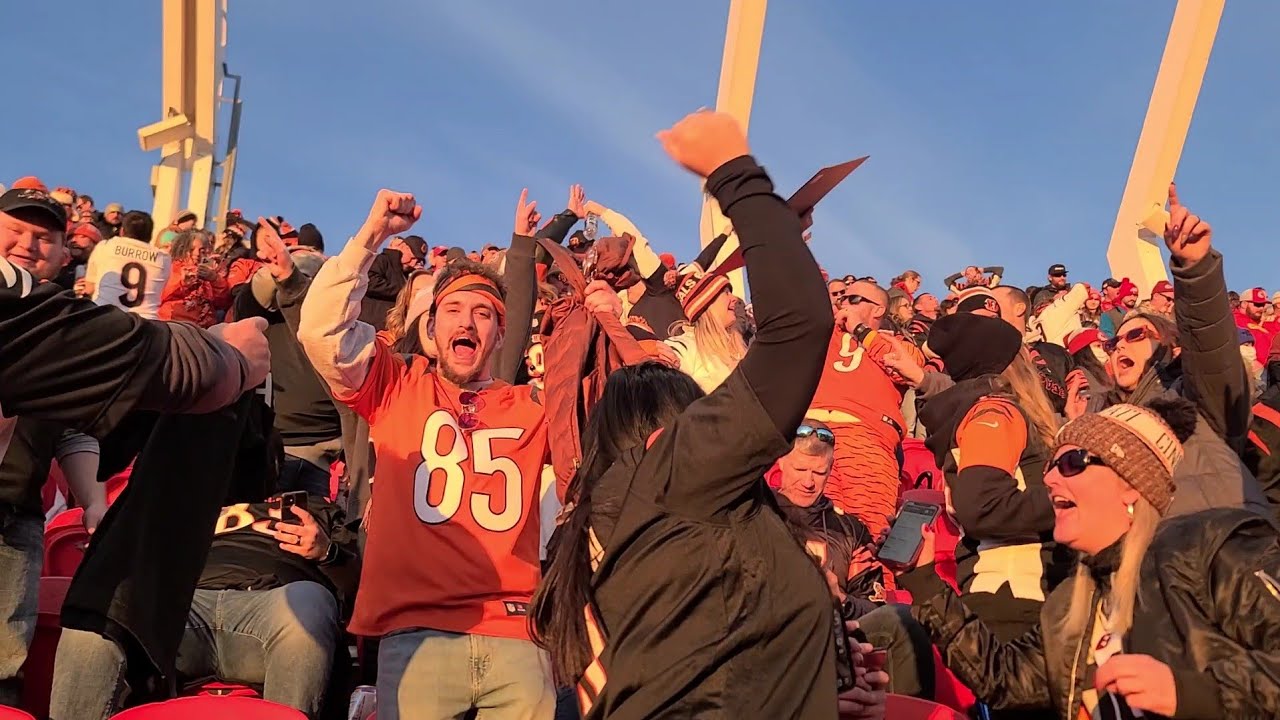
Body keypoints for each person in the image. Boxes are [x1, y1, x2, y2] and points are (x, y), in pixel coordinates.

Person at [532, 110, 854, 719]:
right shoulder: (673, 472)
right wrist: (737, 177)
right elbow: (800, 328)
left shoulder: (635, 507)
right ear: (669, 423)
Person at [299, 186, 552, 719]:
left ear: (500, 333)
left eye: (483, 314)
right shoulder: (396, 383)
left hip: (517, 636)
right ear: (431, 329)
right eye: (453, 310)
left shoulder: (532, 404)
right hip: (417, 636)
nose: (466, 322)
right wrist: (371, 236)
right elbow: (320, 333)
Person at [901, 399, 1280, 719]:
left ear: (1131, 484)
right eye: (1050, 466)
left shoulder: (1211, 549)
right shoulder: (1070, 603)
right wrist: (925, 581)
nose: (1048, 479)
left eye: (1072, 463)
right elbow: (1006, 679)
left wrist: (1189, 693)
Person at [1100, 184, 1272, 521]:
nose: (1119, 344)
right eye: (1112, 343)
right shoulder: (1103, 417)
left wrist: (1195, 270)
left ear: (1171, 345)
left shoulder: (1191, 403)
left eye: (1136, 334)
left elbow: (1210, 352)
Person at [917, 313, 1069, 645]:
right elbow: (982, 506)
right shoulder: (996, 412)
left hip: (1017, 591)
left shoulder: (995, 411)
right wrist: (1074, 497)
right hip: (1015, 593)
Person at [175, 493, 359, 717]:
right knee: (124, 617)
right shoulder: (201, 507)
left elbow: (361, 586)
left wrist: (327, 552)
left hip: (275, 603)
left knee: (306, 601)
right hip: (192, 603)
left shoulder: (319, 509)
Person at [809, 280, 923, 537]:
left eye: (853, 299)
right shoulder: (824, 335)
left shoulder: (898, 344)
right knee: (808, 537)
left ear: (878, 310)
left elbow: (907, 370)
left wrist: (861, 331)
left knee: (869, 536)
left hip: (867, 440)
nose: (843, 304)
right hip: (811, 434)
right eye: (842, 299)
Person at [771, 420, 882, 618]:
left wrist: (840, 599)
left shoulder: (851, 531)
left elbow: (877, 612)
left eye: (819, 473)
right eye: (800, 470)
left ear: (830, 469)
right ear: (780, 461)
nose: (808, 482)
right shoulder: (757, 511)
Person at [665, 268, 746, 392]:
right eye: (725, 293)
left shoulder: (738, 347)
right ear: (707, 304)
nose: (734, 298)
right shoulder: (684, 348)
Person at [83, 210, 172, 319]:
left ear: (122, 231)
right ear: (150, 236)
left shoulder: (105, 247)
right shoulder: (164, 258)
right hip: (146, 324)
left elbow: (89, 288)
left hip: (104, 318)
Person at [159, 229, 231, 327]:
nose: (197, 254)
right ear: (181, 249)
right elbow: (159, 295)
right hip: (174, 324)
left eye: (202, 250)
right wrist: (181, 283)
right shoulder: (171, 267)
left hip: (203, 330)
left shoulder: (212, 271)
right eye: (191, 249)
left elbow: (223, 303)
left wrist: (215, 279)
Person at [358, 233, 426, 330]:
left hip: (390, 329)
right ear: (404, 247)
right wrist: (403, 291)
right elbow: (370, 281)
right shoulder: (382, 260)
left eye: (418, 260)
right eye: (413, 257)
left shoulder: (407, 274)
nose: (414, 262)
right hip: (370, 325)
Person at [1234, 286, 1276, 364]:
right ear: (1244, 304)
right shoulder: (1235, 320)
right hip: (1257, 371)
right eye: (1257, 304)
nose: (1261, 308)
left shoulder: (1263, 322)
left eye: (1263, 305)